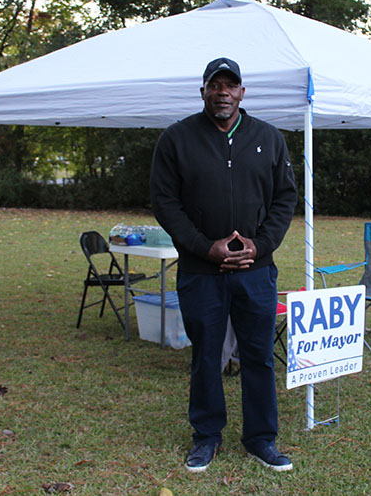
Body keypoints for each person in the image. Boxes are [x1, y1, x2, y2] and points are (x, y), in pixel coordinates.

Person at [150, 57, 297, 473]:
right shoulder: (177, 139)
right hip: (201, 272)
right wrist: (204, 247)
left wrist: (260, 245)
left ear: (242, 93)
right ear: (203, 91)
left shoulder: (268, 138)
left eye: (231, 85)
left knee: (259, 356)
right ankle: (206, 437)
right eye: (215, 85)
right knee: (206, 356)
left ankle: (261, 439)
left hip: (256, 271)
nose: (223, 93)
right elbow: (165, 203)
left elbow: (285, 198)